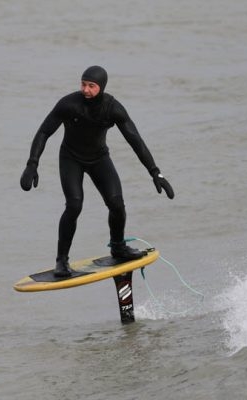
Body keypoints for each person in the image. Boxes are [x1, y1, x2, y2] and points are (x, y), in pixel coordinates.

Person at [20, 66, 174, 277]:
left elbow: (135, 140)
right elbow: (44, 132)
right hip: (70, 158)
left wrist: (156, 172)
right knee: (74, 206)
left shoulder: (113, 108)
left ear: (101, 87)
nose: (86, 89)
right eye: (83, 84)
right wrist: (32, 164)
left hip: (99, 158)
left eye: (91, 86)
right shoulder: (69, 104)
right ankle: (62, 261)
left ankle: (118, 246)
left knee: (117, 204)